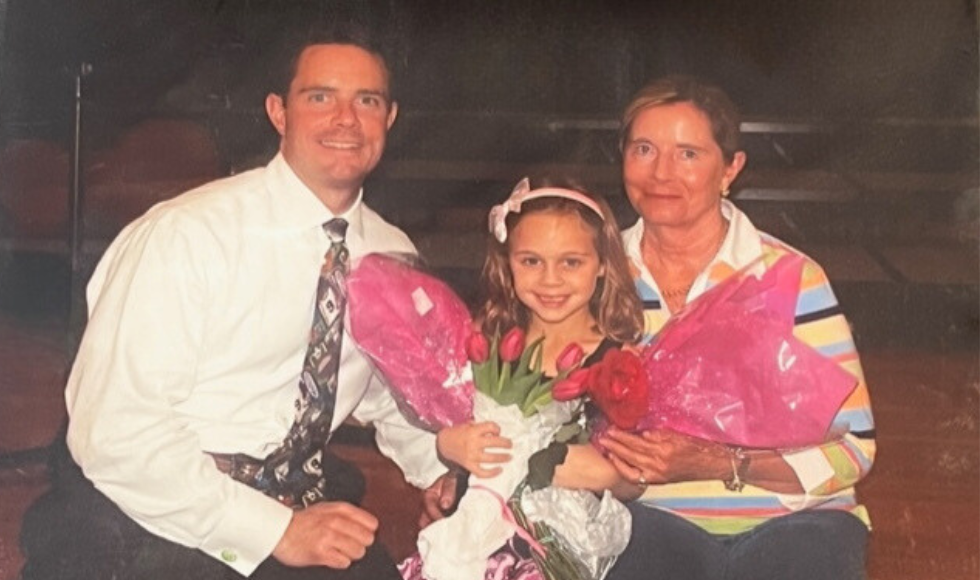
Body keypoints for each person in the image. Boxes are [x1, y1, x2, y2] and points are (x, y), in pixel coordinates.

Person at [20, 23, 456, 580]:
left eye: (366, 100)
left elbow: (393, 393)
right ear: (279, 112)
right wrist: (275, 530)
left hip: (301, 497)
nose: (346, 119)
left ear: (389, 118)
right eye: (320, 97)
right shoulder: (187, 235)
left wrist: (436, 468)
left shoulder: (393, 255)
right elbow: (114, 433)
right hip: (158, 503)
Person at [601, 76, 876, 580]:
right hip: (646, 519)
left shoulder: (789, 277)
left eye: (688, 154)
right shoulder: (592, 277)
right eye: (644, 148)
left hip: (794, 520)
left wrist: (715, 462)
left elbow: (854, 450)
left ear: (731, 168)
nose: (662, 172)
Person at [402, 177, 646, 580]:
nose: (550, 280)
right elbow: (455, 432)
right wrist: (449, 444)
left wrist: (608, 475)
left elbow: (636, 478)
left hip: (560, 549)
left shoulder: (620, 361)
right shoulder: (487, 341)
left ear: (603, 263)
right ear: (507, 262)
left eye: (571, 262)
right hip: (472, 542)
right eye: (531, 261)